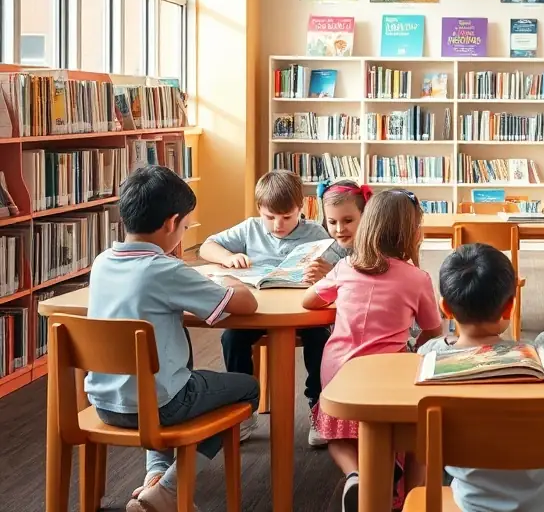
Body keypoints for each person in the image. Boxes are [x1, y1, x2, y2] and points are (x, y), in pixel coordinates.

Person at [86, 166, 260, 512]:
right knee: (247, 389)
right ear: (171, 223)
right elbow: (246, 303)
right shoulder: (164, 269)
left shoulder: (102, 262)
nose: (182, 233)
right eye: (184, 227)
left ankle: (154, 478)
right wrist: (230, 282)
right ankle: (170, 487)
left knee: (165, 378)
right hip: (160, 407)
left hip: (104, 404)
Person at [419, 243, 544, 512]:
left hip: (470, 504)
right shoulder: (538, 363)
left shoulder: (427, 358)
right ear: (510, 307)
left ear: (445, 308)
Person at [302, 189, 444, 512]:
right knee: (412, 431)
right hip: (386, 375)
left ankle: (356, 474)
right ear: (412, 233)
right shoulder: (417, 278)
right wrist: (412, 349)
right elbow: (434, 331)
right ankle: (411, 496)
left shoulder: (346, 267)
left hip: (338, 372)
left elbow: (308, 300)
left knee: (334, 432)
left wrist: (341, 299)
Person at [200, 169, 339, 446]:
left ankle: (317, 405)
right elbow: (207, 246)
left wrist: (326, 271)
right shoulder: (250, 228)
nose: (278, 225)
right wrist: (229, 257)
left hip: (302, 311)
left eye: (287, 217)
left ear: (302, 208)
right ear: (259, 210)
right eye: (270, 217)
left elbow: (336, 269)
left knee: (320, 339)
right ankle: (242, 410)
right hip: (258, 310)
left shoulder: (314, 232)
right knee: (231, 338)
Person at [317, 178, 373, 256]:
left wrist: (335, 269)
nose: (339, 229)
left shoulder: (375, 252)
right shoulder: (324, 251)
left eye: (348, 220)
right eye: (332, 222)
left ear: (364, 216)